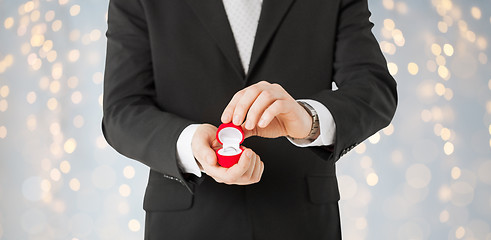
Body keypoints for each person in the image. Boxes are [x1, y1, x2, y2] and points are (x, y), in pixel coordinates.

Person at [102, 0, 397, 238]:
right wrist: (190, 144)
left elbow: (374, 89)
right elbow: (122, 109)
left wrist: (308, 120)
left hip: (301, 223)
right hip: (186, 224)